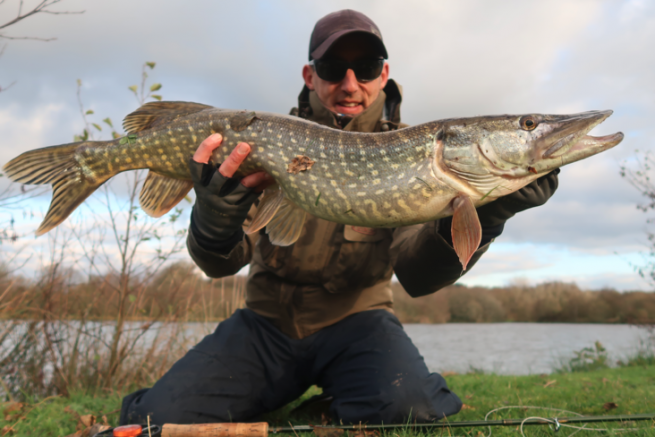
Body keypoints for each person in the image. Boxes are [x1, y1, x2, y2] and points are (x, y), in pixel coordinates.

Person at [120, 9, 558, 426]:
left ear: (383, 75)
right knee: (154, 418)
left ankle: (339, 396)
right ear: (310, 75)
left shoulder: (416, 158)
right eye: (332, 67)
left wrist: (492, 212)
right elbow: (219, 264)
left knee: (412, 407)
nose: (350, 83)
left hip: (359, 325)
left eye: (366, 67)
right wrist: (213, 218)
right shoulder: (258, 144)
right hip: (265, 326)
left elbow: (418, 275)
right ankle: (322, 395)